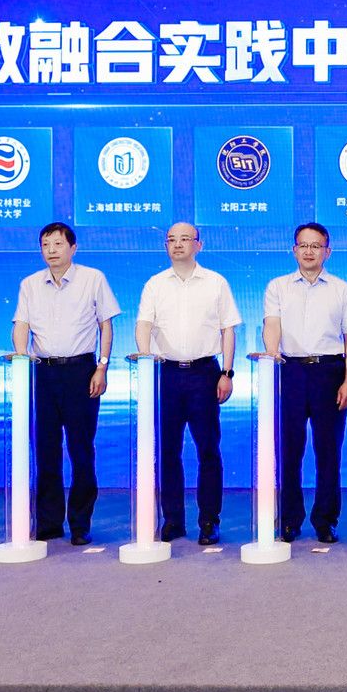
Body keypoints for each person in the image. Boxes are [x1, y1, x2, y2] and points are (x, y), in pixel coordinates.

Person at [11, 222, 121, 546]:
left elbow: (106, 326)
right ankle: (48, 522)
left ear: (73, 248)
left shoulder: (93, 278)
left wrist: (102, 366)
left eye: (58, 244)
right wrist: (21, 357)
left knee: (81, 449)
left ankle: (80, 523)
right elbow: (21, 326)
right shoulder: (30, 284)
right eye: (46, 245)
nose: (51, 250)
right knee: (45, 450)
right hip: (42, 373)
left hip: (81, 372)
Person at [135, 222, 239, 546]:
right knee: (168, 450)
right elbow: (143, 325)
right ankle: (173, 521)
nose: (178, 244)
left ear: (198, 245)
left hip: (204, 373)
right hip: (167, 374)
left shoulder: (216, 282)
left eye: (185, 239)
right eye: (171, 240)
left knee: (208, 449)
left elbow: (228, 329)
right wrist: (145, 359)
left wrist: (227, 372)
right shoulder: (155, 284)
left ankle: (209, 521)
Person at [264, 222, 347, 543]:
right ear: (294, 250)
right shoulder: (277, 287)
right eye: (303, 245)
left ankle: (325, 520)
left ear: (327, 251)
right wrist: (271, 355)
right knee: (288, 449)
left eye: (316, 246)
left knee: (328, 450)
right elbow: (272, 325)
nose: (309, 251)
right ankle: (289, 519)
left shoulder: (341, 289)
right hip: (290, 371)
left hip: (329, 372)